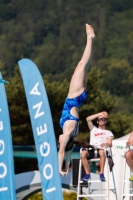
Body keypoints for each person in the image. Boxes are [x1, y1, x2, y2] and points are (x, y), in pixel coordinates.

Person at [58, 24, 95, 176]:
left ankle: (91, 39)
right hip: (73, 98)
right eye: (60, 142)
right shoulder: (67, 133)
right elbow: (61, 153)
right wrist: (60, 169)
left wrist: (66, 168)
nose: (59, 139)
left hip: (79, 99)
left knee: (84, 66)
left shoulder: (71, 137)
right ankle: (90, 38)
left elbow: (67, 154)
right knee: (81, 64)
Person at [81, 111, 114, 181]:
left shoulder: (108, 132)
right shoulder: (93, 129)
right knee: (83, 153)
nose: (101, 121)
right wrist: (100, 114)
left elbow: (110, 144)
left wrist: (106, 143)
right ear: (97, 121)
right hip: (92, 150)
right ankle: (87, 174)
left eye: (103, 119)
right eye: (99, 119)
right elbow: (88, 119)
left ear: (106, 122)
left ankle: (101, 173)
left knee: (101, 151)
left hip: (102, 150)